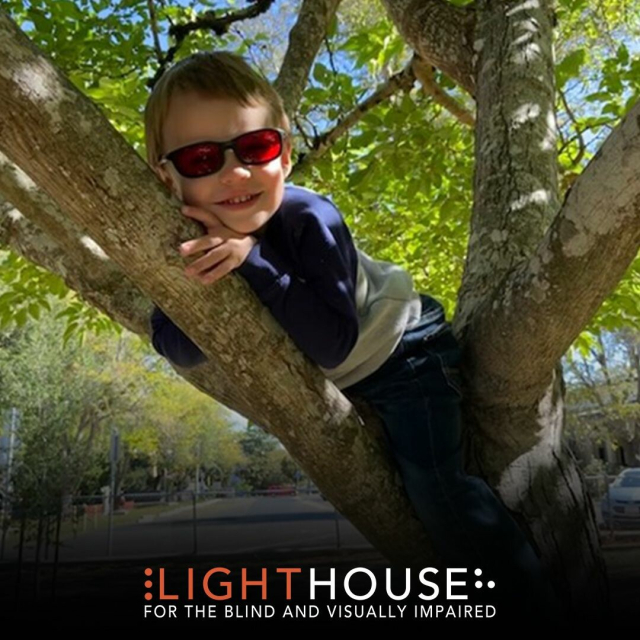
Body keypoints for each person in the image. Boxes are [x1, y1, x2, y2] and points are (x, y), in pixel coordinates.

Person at [143, 51, 564, 621]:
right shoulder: (180, 241)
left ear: (286, 155)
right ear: (165, 176)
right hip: (348, 373)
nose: (236, 172)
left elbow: (331, 343)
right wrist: (201, 286)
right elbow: (177, 345)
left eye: (257, 149)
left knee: (438, 494)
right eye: (199, 158)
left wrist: (251, 263)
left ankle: (531, 602)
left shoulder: (310, 217)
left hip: (405, 355)